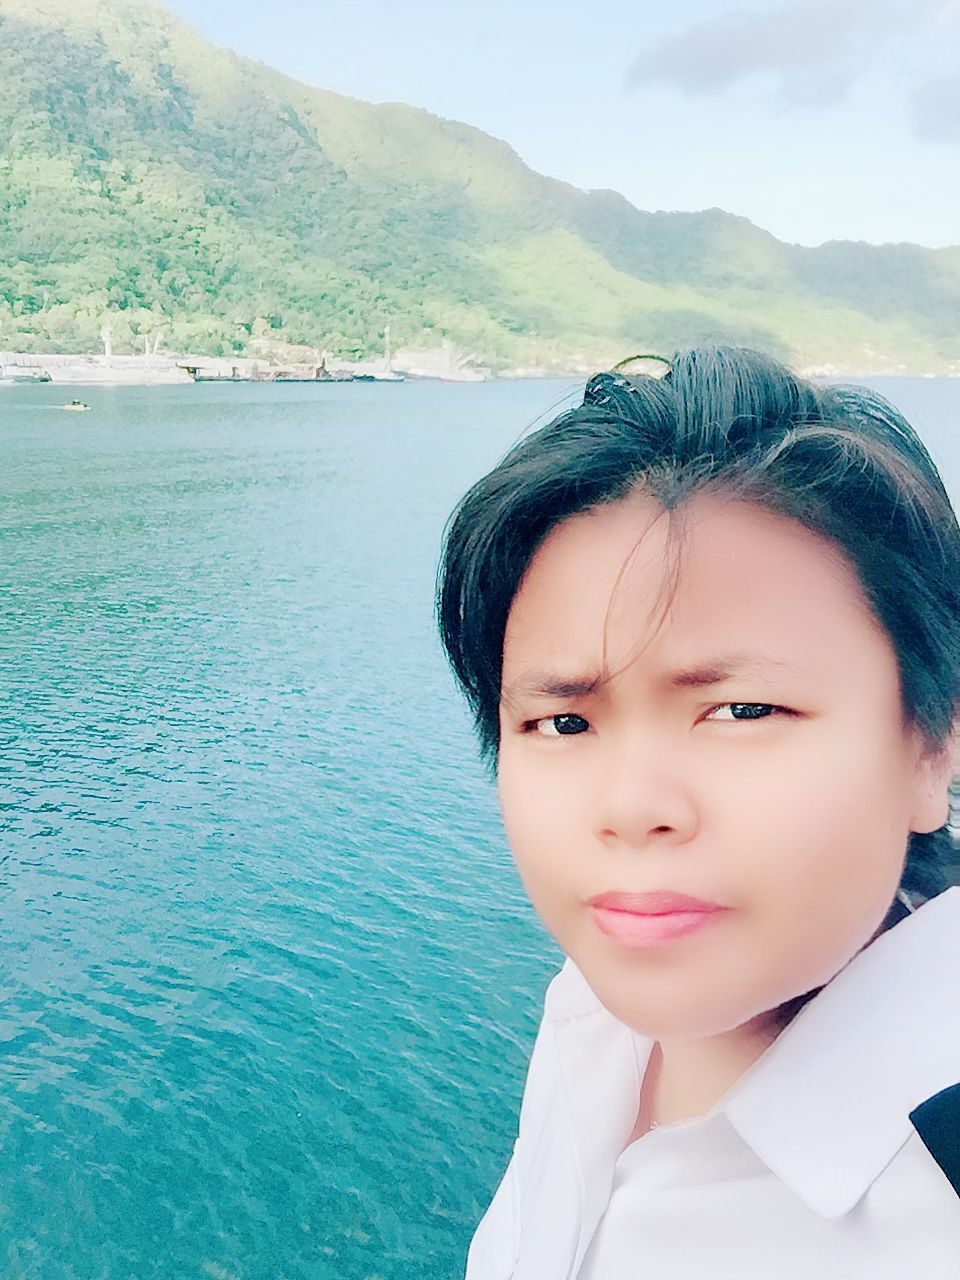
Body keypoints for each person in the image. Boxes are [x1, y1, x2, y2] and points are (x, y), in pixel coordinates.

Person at [435, 346, 960, 1278]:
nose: (632, 809)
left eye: (743, 711)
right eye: (561, 720)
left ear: (933, 746)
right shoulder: (590, 1014)